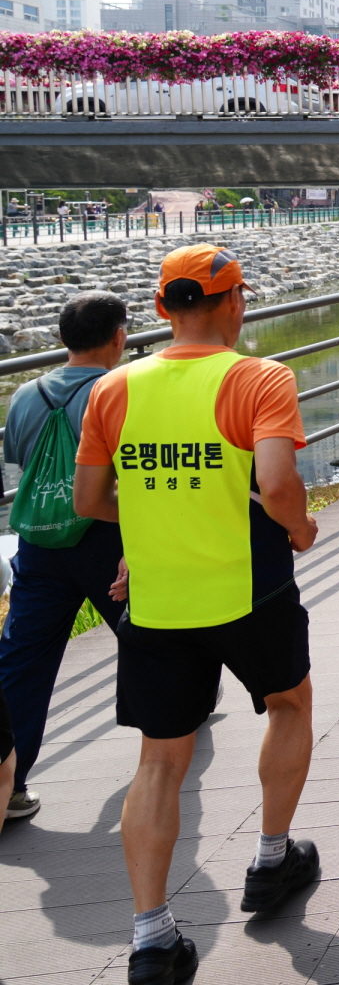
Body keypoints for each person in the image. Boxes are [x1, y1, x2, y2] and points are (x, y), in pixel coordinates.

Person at [72, 246, 321, 981]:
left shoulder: (113, 388)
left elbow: (91, 502)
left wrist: (148, 527)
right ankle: (272, 860)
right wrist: (302, 529)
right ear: (234, 302)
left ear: (160, 309)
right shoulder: (258, 377)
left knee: (160, 759)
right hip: (253, 590)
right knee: (289, 704)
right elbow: (276, 483)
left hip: (157, 598)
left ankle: (152, 938)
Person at [0, 293, 129, 824]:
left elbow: (19, 459)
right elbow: (132, 474)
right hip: (106, 536)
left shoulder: (25, 396)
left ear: (61, 339)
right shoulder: (119, 391)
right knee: (152, 638)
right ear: (119, 336)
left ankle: (8, 784)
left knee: (22, 663)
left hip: (40, 542)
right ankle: (172, 735)